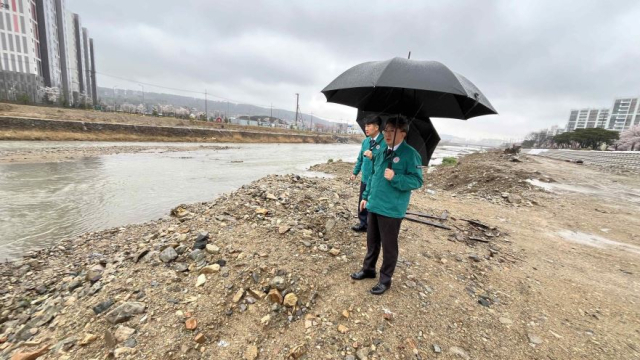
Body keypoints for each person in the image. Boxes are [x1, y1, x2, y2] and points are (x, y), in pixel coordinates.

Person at [350, 116, 423, 295]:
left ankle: (385, 280)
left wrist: (396, 177)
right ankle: (368, 269)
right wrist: (366, 196)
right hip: (374, 203)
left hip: (391, 209)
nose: (388, 134)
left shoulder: (410, 154)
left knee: (389, 246)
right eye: (386, 130)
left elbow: (417, 180)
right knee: (372, 241)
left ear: (403, 133)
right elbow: (374, 174)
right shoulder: (382, 149)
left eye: (393, 130)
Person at [350, 116, 384, 232]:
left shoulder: (384, 142)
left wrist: (373, 156)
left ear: (377, 127)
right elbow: (360, 158)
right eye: (365, 126)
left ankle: (373, 227)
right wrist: (355, 172)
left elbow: (384, 161)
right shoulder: (365, 141)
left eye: (369, 125)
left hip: (377, 179)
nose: (366, 128)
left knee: (373, 202)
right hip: (365, 178)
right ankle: (363, 224)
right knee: (362, 201)